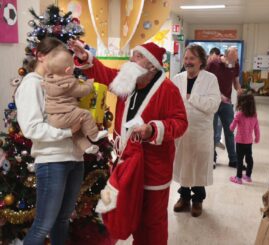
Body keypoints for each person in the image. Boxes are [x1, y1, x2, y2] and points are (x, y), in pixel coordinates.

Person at [69, 40, 188, 245]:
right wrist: (85, 57)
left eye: (138, 56)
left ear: (151, 65)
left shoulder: (168, 89)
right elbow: (106, 74)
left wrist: (152, 129)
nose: (131, 59)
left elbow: (181, 123)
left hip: (153, 168)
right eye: (133, 54)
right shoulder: (129, 81)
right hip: (126, 161)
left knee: (152, 221)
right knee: (123, 209)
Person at [15, 37, 84, 245]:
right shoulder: (31, 85)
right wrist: (67, 132)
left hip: (74, 159)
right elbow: (32, 128)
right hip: (52, 161)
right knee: (43, 225)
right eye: (56, 56)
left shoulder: (57, 84)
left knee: (62, 220)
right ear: (40, 56)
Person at [172, 44, 220, 217]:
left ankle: (198, 199)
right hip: (182, 132)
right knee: (183, 163)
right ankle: (183, 198)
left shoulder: (210, 79)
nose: (188, 62)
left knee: (198, 165)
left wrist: (191, 98)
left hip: (200, 132)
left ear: (201, 61)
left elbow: (213, 105)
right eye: (186, 58)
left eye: (192, 58)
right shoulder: (177, 78)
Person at [41, 48, 108, 154]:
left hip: (53, 118)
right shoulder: (68, 84)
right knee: (85, 115)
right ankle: (94, 135)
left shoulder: (49, 82)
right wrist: (89, 83)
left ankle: (87, 147)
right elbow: (83, 91)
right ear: (68, 70)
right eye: (73, 67)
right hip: (65, 114)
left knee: (76, 132)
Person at [206, 46, 243, 168]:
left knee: (230, 130)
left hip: (226, 103)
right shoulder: (213, 64)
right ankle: (212, 159)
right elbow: (205, 81)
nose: (233, 64)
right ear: (226, 56)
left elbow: (235, 81)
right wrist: (218, 95)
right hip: (213, 101)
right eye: (232, 60)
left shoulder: (235, 65)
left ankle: (233, 160)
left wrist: (239, 90)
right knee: (212, 132)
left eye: (235, 61)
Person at [229, 93, 260, 184]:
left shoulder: (239, 114)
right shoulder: (254, 115)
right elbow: (256, 128)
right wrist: (257, 137)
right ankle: (248, 176)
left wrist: (231, 125)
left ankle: (238, 178)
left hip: (240, 141)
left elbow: (231, 127)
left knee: (239, 160)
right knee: (249, 159)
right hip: (249, 142)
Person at [207, 47, 225, 151]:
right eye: (216, 56)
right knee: (214, 123)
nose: (217, 58)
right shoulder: (205, 64)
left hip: (216, 98)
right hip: (207, 99)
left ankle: (217, 141)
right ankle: (213, 147)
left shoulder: (217, 65)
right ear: (212, 54)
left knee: (218, 122)